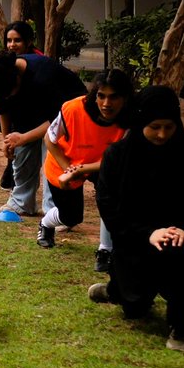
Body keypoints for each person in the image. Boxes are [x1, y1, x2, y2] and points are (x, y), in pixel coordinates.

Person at [91, 86, 184, 352]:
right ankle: (116, 290)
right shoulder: (117, 156)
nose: (162, 134)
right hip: (134, 237)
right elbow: (108, 206)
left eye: (169, 127)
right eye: (154, 127)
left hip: (177, 235)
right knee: (135, 308)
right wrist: (148, 233)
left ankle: (181, 326)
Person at [38, 69, 133, 253]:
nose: (106, 104)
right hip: (65, 162)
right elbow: (49, 140)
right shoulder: (73, 109)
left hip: (103, 164)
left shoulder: (130, 119)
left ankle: (105, 250)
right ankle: (46, 224)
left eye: (114, 97)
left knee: (111, 201)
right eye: (101, 96)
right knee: (71, 217)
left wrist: (81, 170)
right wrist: (68, 169)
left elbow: (119, 158)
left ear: (125, 98)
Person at [0, 47, 86, 216]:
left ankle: (55, 210)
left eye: (9, 94)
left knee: (51, 155)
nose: (7, 98)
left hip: (67, 116)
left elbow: (57, 121)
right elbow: (3, 111)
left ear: (18, 78)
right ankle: (21, 203)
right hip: (32, 112)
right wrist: (8, 141)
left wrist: (24, 137)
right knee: (21, 152)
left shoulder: (43, 76)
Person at [0, 21, 40, 190]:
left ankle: (18, 178)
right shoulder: (2, 63)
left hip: (31, 113)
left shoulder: (37, 62)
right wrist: (7, 141)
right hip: (3, 114)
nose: (12, 45)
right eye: (9, 41)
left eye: (17, 40)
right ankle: (14, 174)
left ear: (28, 41)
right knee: (18, 131)